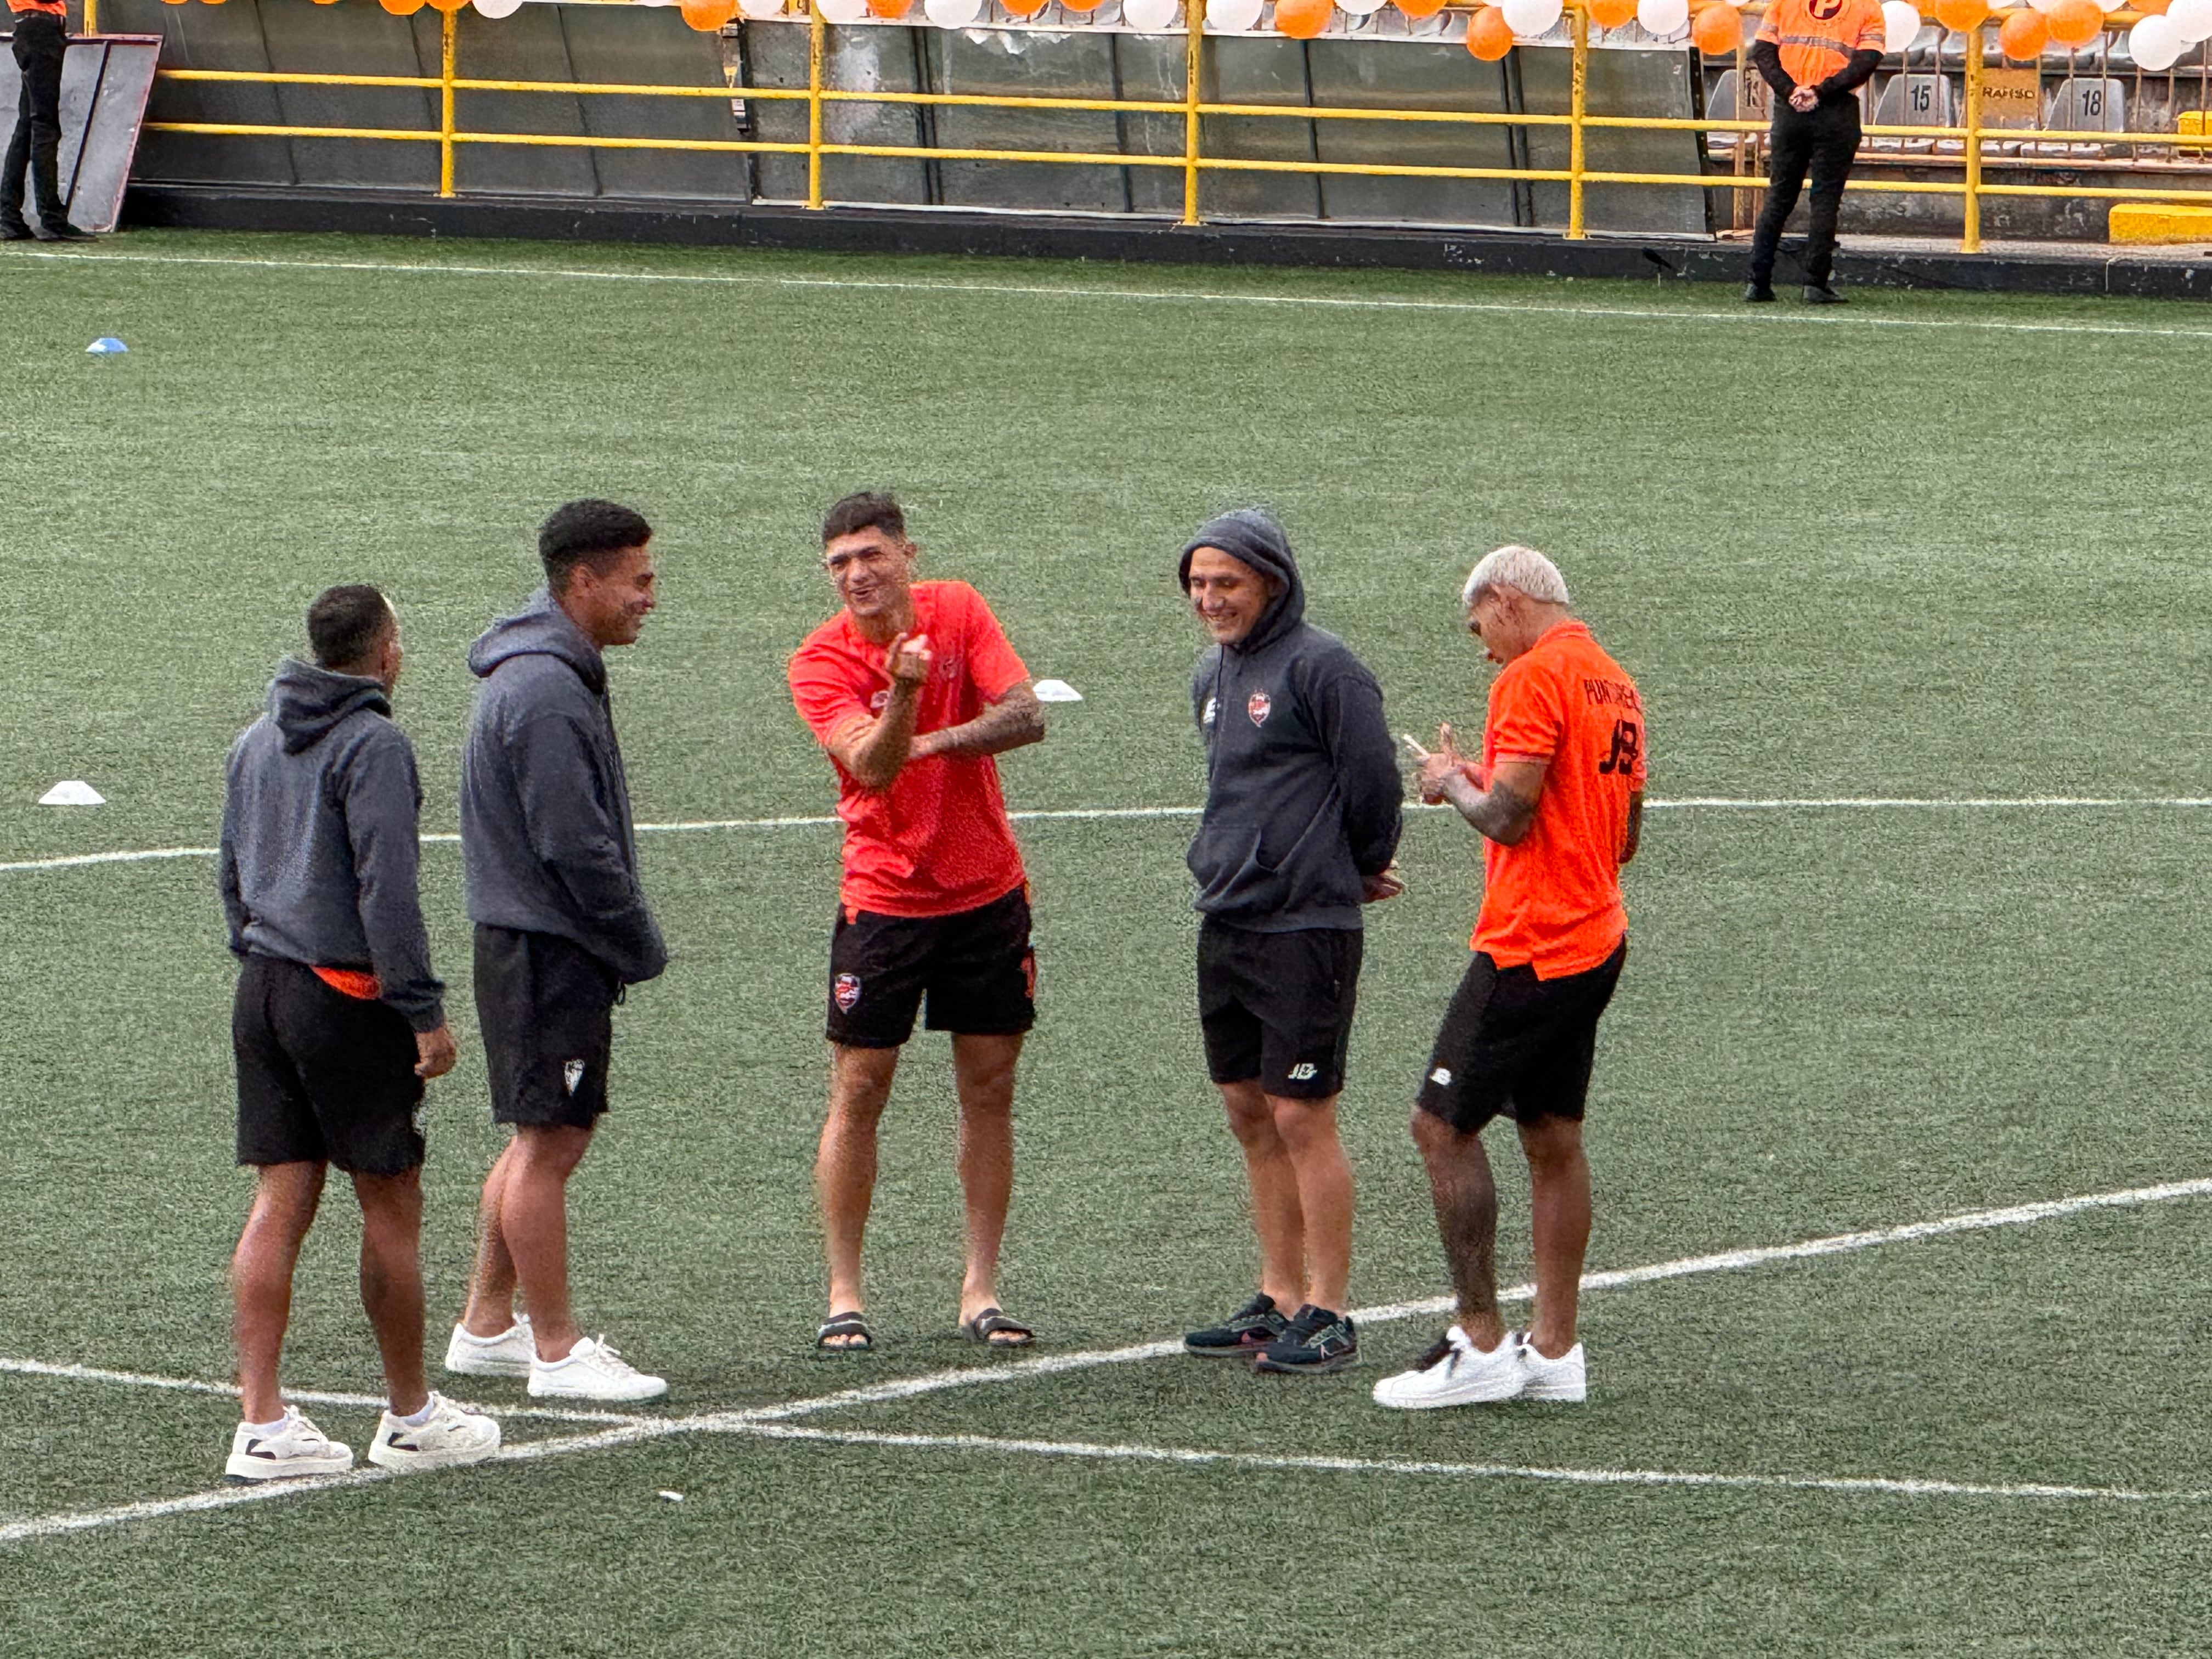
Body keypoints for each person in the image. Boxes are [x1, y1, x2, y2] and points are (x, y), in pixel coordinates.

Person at [218, 585, 496, 1480]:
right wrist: (421, 1009)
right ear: (383, 651)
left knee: (280, 1199)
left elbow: (230, 874)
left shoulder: (254, 739)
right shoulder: (373, 742)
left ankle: (262, 1422)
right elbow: (388, 888)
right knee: (390, 1203)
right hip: (344, 994)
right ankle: (411, 1414)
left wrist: (263, 952)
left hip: (263, 987)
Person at [1373, 545, 1644, 1411]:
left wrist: (1451, 782)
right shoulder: (1614, 682)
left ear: (1505, 599)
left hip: (1531, 944)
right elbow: (1624, 832)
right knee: (1553, 1138)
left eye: (1479, 626)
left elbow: (1509, 818)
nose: (1483, 647)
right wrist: (1486, 779)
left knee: (1439, 1126)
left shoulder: (1530, 678)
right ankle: (1556, 1350)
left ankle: (1481, 1340)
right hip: (1596, 937)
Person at [787, 492, 1047, 1355]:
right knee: (860, 1087)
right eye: (840, 563)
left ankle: (981, 1290)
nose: (857, 574)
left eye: (871, 555)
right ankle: (844, 1295)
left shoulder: (958, 608)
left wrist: (933, 740)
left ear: (907, 555)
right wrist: (905, 695)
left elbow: (1026, 715)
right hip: (885, 900)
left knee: (990, 1087)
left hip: (986, 891)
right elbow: (870, 763)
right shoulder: (819, 661)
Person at [444, 500, 670, 1403]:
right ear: (584, 581)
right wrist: (636, 938)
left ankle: (485, 1324)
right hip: (547, 946)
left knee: (539, 1134)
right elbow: (574, 844)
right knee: (551, 1142)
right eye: (638, 579)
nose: (650, 596)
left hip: (530, 942)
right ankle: (554, 1348)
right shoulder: (544, 691)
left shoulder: (542, 672)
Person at [1176, 509, 1403, 1376]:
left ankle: (1330, 1309)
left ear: (1271, 582)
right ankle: (1276, 1295)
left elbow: (1372, 779)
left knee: (1303, 1113)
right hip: (1228, 916)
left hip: (1306, 926)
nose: (1209, 599)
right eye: (1198, 584)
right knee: (1247, 1107)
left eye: (1226, 583)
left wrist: (1359, 865)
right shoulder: (1211, 673)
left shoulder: (1323, 667)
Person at [1742, 0, 1884, 305]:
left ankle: (1758, 282)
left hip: (1790, 110)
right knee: (1825, 199)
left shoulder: (1783, 3)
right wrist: (1820, 92)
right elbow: (1867, 61)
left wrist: (1790, 90)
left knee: (1779, 196)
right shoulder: (1868, 7)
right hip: (1837, 111)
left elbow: (1763, 52)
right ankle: (1815, 284)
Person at [2, 0, 92, 242]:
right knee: (45, 126)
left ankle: (9, 217)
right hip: (41, 30)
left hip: (31, 28)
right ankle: (52, 218)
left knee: (27, 127)